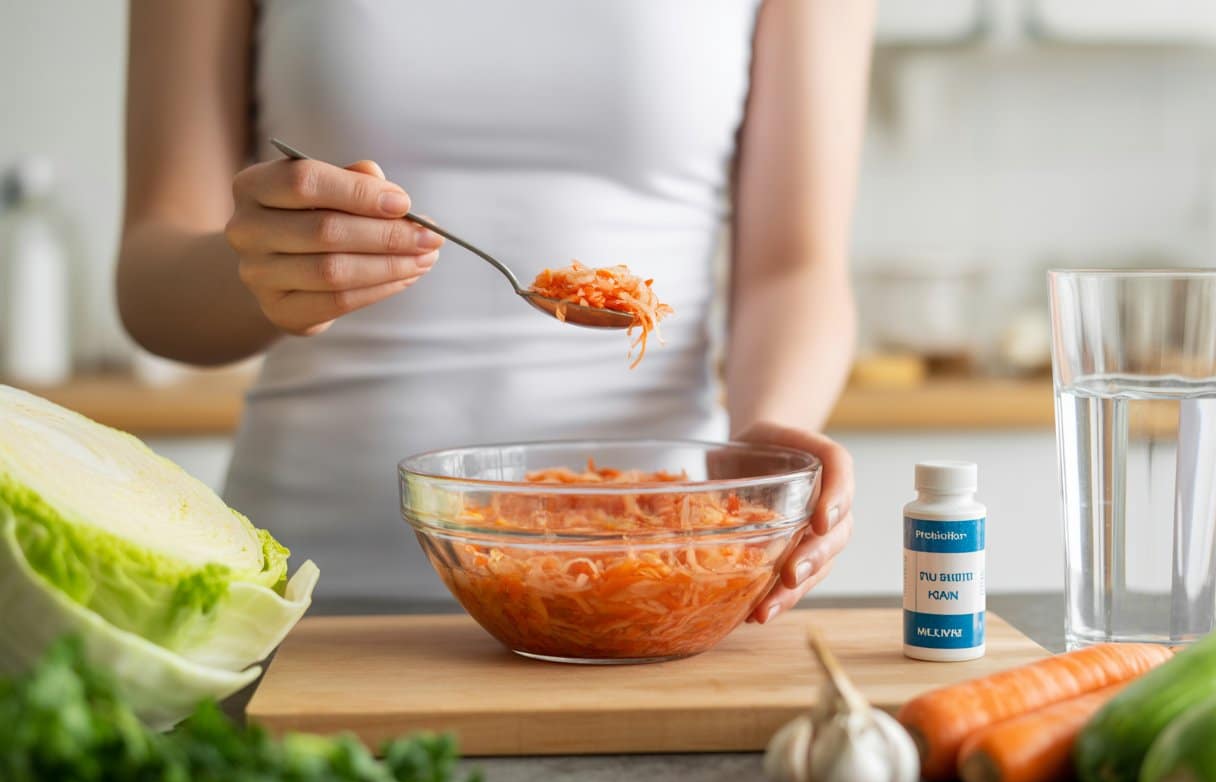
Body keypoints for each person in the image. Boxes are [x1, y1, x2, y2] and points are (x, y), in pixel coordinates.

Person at [118, 0, 872, 621]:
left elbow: (793, 266)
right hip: (307, 588)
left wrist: (767, 443)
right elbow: (150, 280)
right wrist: (264, 272)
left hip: (649, 583)